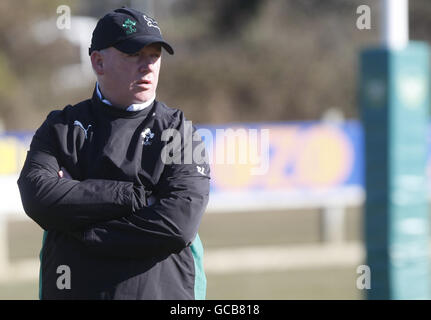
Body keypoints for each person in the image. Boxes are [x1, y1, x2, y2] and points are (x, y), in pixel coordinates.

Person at [17, 7, 210, 300]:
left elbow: (177, 225)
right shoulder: (61, 126)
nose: (147, 66)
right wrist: (137, 197)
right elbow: (37, 198)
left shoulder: (179, 131)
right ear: (98, 62)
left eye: (154, 55)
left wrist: (81, 225)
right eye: (133, 54)